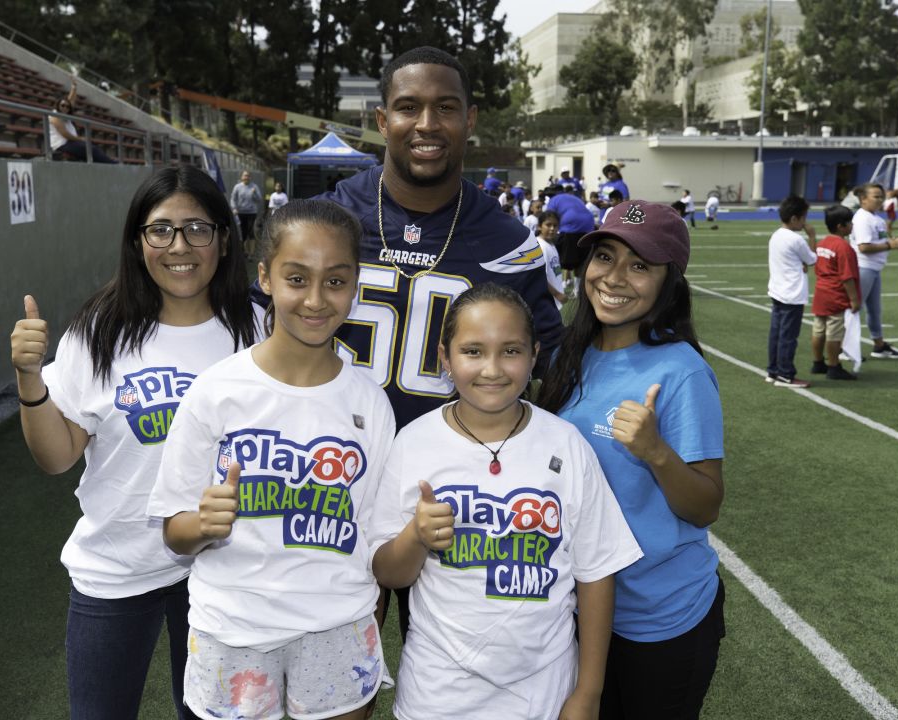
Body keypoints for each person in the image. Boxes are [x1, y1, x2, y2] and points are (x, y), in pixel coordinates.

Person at [310, 46, 565, 641]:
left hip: (456, 494)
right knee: (343, 678)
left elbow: (551, 360)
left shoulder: (507, 239)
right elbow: (261, 328)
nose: (426, 125)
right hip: (338, 480)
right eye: (408, 108)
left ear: (470, 120)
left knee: (454, 670)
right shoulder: (328, 217)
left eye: (445, 108)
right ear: (381, 120)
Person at [8, 165, 259, 720]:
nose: (179, 246)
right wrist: (30, 379)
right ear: (137, 240)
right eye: (160, 230)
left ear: (223, 237)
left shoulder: (258, 329)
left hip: (223, 571)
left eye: (197, 228)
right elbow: (56, 456)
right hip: (116, 567)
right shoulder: (100, 330)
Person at [148, 200, 397, 720]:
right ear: (265, 277)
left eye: (335, 281)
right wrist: (203, 524)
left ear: (356, 285)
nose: (315, 299)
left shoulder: (370, 402)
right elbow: (173, 531)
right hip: (234, 626)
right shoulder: (217, 390)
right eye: (296, 278)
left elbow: (373, 539)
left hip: (338, 626)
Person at [371, 283, 642, 720]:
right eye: (473, 351)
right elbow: (388, 573)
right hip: (438, 694)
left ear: (534, 355)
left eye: (511, 351)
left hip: (545, 692)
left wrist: (588, 693)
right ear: (445, 357)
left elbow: (596, 573)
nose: (492, 369)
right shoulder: (414, 443)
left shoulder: (566, 444)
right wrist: (416, 537)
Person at [535, 201, 727, 720]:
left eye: (640, 265)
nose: (614, 278)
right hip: (579, 608)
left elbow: (706, 505)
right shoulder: (564, 357)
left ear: (669, 282)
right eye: (604, 257)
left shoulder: (681, 372)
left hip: (659, 616)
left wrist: (657, 453)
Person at [851, 183, 898, 359]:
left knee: (874, 310)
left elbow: (881, 239)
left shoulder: (875, 218)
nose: (880, 200)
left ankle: (879, 345)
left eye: (881, 196)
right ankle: (844, 347)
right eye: (876, 196)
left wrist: (896, 244)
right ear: (863, 199)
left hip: (873, 269)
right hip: (863, 267)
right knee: (854, 309)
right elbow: (863, 247)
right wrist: (890, 245)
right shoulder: (863, 218)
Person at [765, 195, 818, 388]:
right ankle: (786, 375)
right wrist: (812, 236)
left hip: (778, 290)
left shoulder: (776, 235)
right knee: (788, 337)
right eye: (804, 218)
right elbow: (812, 259)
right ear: (795, 219)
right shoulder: (796, 239)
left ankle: (773, 371)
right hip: (792, 294)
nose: (805, 223)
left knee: (776, 334)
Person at [809, 205, 861, 380]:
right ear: (841, 226)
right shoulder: (844, 248)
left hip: (821, 292)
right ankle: (833, 365)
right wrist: (854, 299)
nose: (852, 226)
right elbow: (847, 277)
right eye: (850, 223)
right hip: (835, 295)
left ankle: (817, 362)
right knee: (834, 332)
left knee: (818, 329)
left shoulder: (822, 243)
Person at [49, 76, 116, 164]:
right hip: (62, 144)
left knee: (92, 149)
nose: (65, 108)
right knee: (91, 149)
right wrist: (79, 138)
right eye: (62, 106)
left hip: (71, 142)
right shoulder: (54, 116)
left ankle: (108, 165)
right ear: (57, 105)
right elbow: (64, 134)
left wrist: (74, 87)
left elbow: (71, 100)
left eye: (67, 107)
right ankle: (113, 164)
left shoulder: (65, 114)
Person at [545, 183, 597, 287]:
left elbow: (549, 217)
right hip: (589, 225)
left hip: (570, 226)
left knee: (566, 261)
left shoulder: (553, 200)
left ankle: (564, 284)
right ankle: (577, 288)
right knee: (581, 260)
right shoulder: (573, 197)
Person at [535, 210, 566, 311]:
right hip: (548, 300)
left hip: (555, 300)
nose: (552, 229)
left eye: (555, 225)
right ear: (539, 226)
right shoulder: (540, 247)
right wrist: (557, 294)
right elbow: (539, 277)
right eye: (548, 225)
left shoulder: (551, 244)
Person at [230, 170, 263, 254]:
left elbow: (259, 199)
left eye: (248, 176)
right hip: (241, 213)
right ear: (241, 177)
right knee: (243, 233)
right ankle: (245, 251)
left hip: (252, 212)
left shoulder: (254, 186)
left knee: (251, 232)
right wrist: (234, 208)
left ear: (250, 177)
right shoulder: (237, 187)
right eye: (245, 176)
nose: (246, 177)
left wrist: (254, 193)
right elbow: (233, 199)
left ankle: (251, 253)